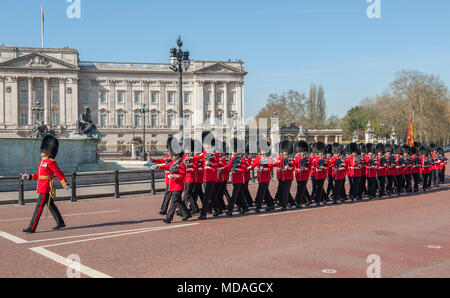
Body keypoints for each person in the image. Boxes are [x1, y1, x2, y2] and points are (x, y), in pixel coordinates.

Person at [22, 135, 70, 233]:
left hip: (46, 188)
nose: (41, 152)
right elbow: (39, 176)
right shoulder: (41, 162)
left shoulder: (51, 162)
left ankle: (32, 227)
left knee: (38, 207)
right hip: (41, 186)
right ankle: (60, 222)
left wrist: (65, 184)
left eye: (43, 150)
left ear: (48, 151)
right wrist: (29, 176)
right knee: (51, 205)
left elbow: (58, 173)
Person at [153, 151, 191, 224]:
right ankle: (187, 214)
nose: (172, 157)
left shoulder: (181, 164)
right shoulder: (173, 163)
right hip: (172, 185)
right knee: (179, 201)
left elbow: (182, 176)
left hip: (178, 186)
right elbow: (166, 167)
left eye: (174, 156)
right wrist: (157, 166)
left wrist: (174, 176)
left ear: (178, 156)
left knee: (173, 202)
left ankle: (168, 218)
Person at [293, 141, 312, 208]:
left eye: (303, 151)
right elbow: (293, 165)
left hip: (304, 175)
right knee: (302, 188)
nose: (301, 153)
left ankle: (298, 202)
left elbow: (309, 167)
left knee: (300, 189)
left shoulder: (307, 159)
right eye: (300, 151)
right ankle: (308, 199)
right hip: (298, 175)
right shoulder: (296, 158)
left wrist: (305, 168)